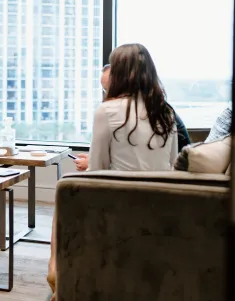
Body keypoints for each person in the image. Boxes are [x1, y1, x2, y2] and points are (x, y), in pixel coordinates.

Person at [48, 44, 178, 298]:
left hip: (118, 205)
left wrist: (87, 166)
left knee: (63, 186)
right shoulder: (166, 112)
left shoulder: (107, 111)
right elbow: (171, 164)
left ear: (119, 73)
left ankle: (55, 270)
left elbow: (97, 171)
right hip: (161, 204)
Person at [75, 61, 190, 171]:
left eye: (109, 89)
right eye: (105, 90)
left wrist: (92, 164)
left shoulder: (110, 112)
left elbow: (100, 170)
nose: (108, 95)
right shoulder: (165, 110)